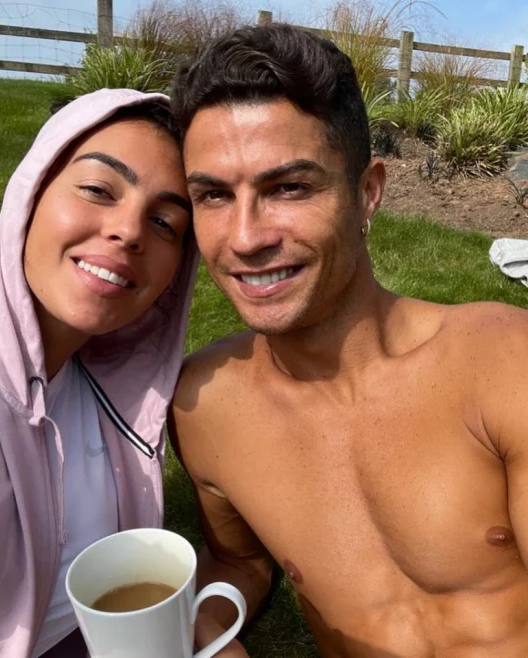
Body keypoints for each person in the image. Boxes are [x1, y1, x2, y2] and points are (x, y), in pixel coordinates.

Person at [168, 23, 528, 657]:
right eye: (214, 195)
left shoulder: (499, 360)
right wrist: (205, 627)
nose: (245, 238)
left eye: (288, 187)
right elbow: (239, 563)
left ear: (367, 194)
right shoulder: (205, 406)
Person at [0, 88, 245, 658]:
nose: (130, 231)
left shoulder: (122, 400)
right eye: (98, 189)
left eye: (164, 222)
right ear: (31, 192)